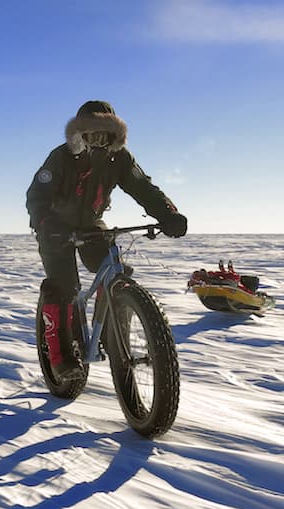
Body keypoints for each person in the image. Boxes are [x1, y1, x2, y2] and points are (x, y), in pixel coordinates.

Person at [26, 100, 187, 381]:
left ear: (115, 134)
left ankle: (115, 335)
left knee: (116, 273)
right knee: (63, 288)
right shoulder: (61, 157)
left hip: (91, 225)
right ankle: (61, 357)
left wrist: (168, 214)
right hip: (55, 228)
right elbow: (36, 196)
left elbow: (143, 188)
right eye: (91, 131)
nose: (99, 138)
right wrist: (45, 223)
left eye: (105, 132)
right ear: (80, 133)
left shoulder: (120, 159)